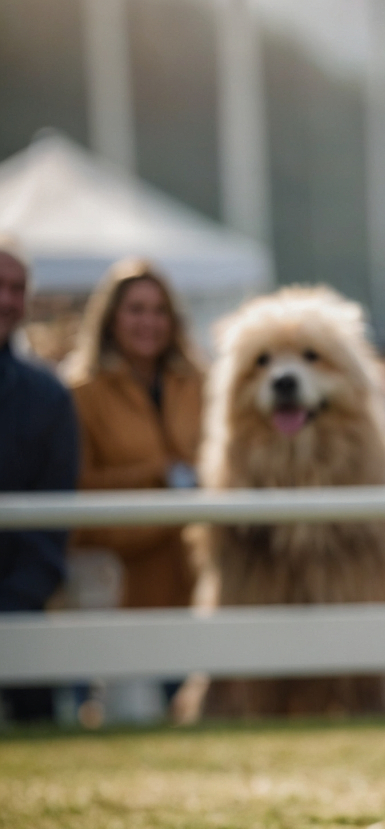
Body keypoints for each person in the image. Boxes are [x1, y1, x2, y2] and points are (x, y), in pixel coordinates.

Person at [65, 259, 204, 609]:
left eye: (160, 311)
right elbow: (76, 498)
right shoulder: (81, 394)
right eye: (136, 310)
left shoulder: (201, 384)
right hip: (124, 591)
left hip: (203, 585)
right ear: (111, 318)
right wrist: (159, 481)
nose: (149, 322)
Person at [0, 239, 80, 721]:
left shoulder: (47, 395)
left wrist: (14, 604)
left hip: (21, 609)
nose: (7, 300)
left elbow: (53, 522)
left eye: (17, 289)